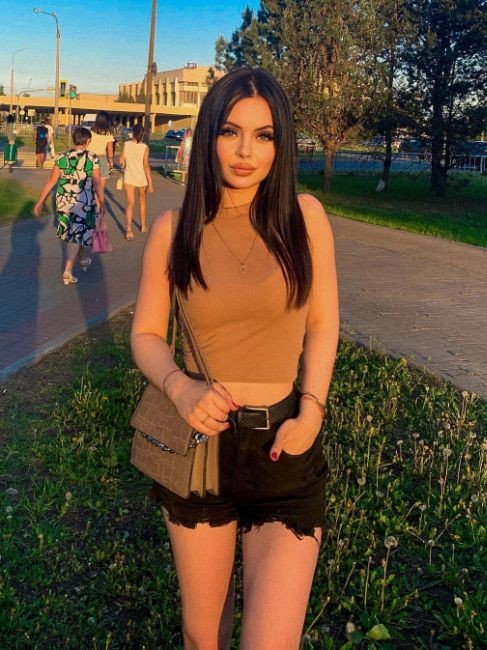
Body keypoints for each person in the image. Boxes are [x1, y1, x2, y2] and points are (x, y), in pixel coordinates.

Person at [131, 68, 339, 649]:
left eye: (263, 135)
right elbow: (146, 333)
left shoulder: (305, 218)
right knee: (205, 636)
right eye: (230, 132)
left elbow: (323, 323)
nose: (246, 151)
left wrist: (312, 412)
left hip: (285, 447)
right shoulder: (174, 229)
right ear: (209, 137)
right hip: (201, 447)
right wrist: (180, 387)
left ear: (280, 143)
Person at [33, 127, 105, 285]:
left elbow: (51, 181)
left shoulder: (62, 157)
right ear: (88, 141)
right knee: (76, 234)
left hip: (63, 200)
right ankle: (67, 270)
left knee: (73, 232)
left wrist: (40, 202)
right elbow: (97, 183)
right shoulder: (92, 158)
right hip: (82, 201)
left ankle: (83, 258)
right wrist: (102, 202)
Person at [118, 123, 154, 239]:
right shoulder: (145, 148)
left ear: (133, 133)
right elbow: (146, 166)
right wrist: (150, 183)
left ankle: (129, 230)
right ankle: (143, 225)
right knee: (142, 200)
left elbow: (121, 160)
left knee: (130, 203)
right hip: (141, 178)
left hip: (129, 176)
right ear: (142, 134)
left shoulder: (127, 144)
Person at [87, 111, 115, 205]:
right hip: (103, 160)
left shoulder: (91, 131)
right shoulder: (108, 133)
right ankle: (99, 206)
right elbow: (110, 150)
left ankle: (89, 204)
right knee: (101, 187)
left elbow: (87, 145)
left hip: (90, 158)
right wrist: (110, 161)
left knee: (90, 184)